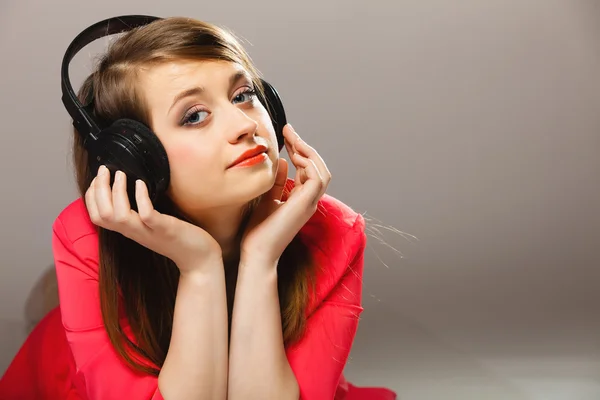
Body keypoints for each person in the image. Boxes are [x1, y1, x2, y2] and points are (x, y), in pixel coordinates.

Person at [0, 15, 397, 400]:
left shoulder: (334, 231)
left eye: (243, 96)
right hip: (62, 374)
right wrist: (200, 266)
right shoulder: (83, 236)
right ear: (135, 158)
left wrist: (260, 258)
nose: (244, 125)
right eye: (194, 116)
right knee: (58, 312)